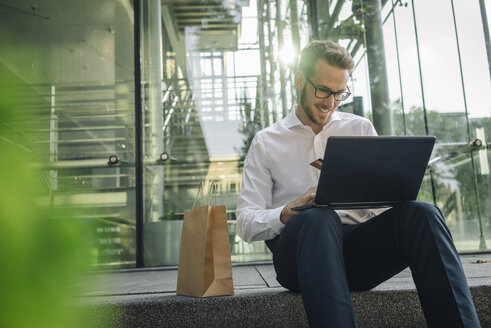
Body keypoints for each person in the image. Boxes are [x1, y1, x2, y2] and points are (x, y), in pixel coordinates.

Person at [236, 40, 480, 327]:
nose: (331, 102)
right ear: (300, 81)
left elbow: (382, 208)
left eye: (340, 93)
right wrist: (288, 211)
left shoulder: (359, 127)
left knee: (423, 213)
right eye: (323, 90)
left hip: (357, 253)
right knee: (318, 216)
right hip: (300, 257)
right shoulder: (267, 141)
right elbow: (246, 222)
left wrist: (394, 188)